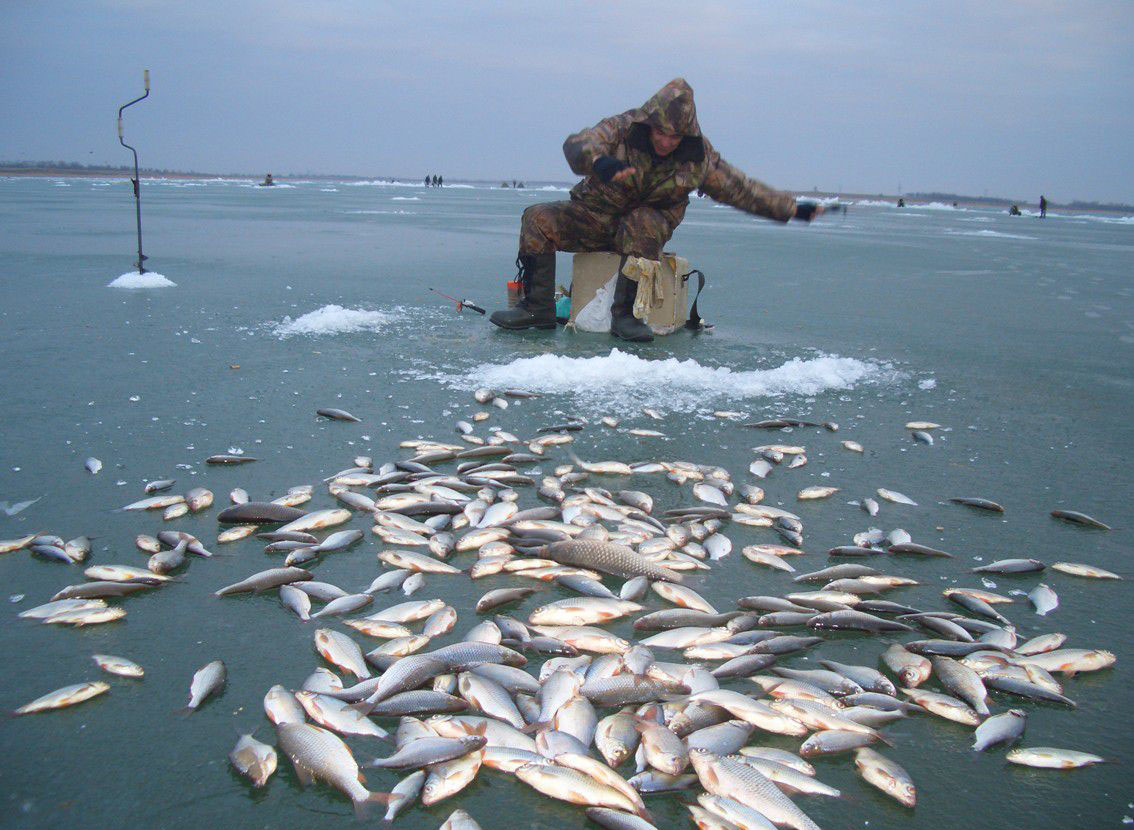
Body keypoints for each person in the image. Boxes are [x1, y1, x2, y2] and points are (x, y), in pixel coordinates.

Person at [489, 78, 823, 341]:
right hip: (595, 218)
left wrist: (793, 209)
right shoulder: (623, 128)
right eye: (660, 132)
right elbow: (577, 144)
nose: (665, 141)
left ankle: (626, 315)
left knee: (644, 220)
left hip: (642, 237)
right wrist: (598, 161)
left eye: (674, 136)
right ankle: (537, 309)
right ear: (649, 123)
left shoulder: (698, 159)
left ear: (686, 134)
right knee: (538, 218)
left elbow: (741, 189)